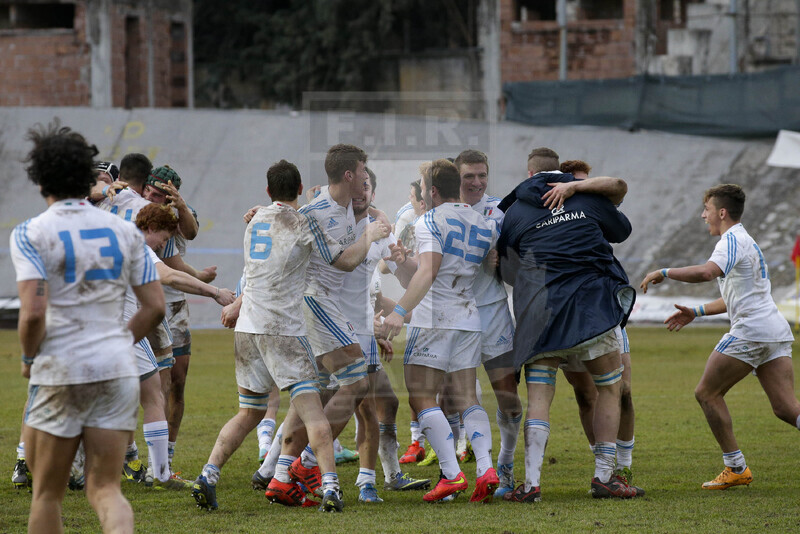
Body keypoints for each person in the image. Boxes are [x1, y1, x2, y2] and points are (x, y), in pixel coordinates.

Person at [192, 159, 388, 512]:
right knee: (316, 411)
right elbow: (342, 261)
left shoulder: (254, 222)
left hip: (248, 328)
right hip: (282, 328)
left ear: (268, 192)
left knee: (249, 413)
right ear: (300, 190)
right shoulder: (305, 221)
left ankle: (208, 475)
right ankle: (329, 487)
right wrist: (369, 235)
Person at [11, 121, 164, 533]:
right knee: (106, 490)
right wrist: (117, 344)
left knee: (47, 495)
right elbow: (154, 306)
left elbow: (33, 312)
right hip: (115, 369)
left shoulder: (31, 232)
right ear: (87, 176)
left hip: (61, 369)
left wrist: (28, 359)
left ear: (39, 178)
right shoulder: (124, 231)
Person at [497, 147, 641, 502]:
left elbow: (505, 268)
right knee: (609, 388)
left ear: (529, 173)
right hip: (593, 311)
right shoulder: (589, 197)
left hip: (540, 316)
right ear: (559, 173)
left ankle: (531, 484)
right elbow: (621, 230)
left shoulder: (514, 212)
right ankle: (604, 476)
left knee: (540, 398)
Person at [641, 183, 800, 490]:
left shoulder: (730, 240)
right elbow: (735, 298)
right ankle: (736, 468)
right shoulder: (745, 242)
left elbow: (706, 273)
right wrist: (696, 312)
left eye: (707, 210)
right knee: (786, 408)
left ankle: (736, 467)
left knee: (707, 393)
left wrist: (665, 271)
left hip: (752, 331)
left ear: (722, 212)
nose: (704, 215)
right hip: (774, 331)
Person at [383, 159, 499, 503]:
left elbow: (430, 271)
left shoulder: (428, 221)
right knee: (467, 398)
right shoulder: (483, 222)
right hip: (468, 317)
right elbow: (446, 266)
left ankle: (451, 474)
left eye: (421, 187)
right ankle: (486, 468)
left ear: (432, 191)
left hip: (434, 317)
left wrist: (400, 311)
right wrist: (408, 262)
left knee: (421, 397)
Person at [281, 145, 390, 502]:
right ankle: (307, 463)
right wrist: (369, 236)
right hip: (314, 301)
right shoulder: (317, 211)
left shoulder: (346, 206)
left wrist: (374, 221)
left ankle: (281, 474)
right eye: (362, 172)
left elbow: (366, 210)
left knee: (317, 393)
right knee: (356, 383)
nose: (365, 178)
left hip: (328, 308)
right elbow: (344, 262)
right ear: (348, 175)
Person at [339, 168, 430, 497]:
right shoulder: (338, 226)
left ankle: (384, 476)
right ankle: (289, 468)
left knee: (381, 404)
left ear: (373, 193)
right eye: (356, 187)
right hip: (337, 333)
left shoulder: (379, 229)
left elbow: (382, 291)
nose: (361, 192)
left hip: (363, 333)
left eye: (367, 187)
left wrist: (407, 312)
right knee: (347, 407)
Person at [557, 159, 638, 485]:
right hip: (567, 313)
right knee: (585, 394)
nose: (589, 187)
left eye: (590, 182)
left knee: (623, 390)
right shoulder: (552, 211)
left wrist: (579, 185)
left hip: (605, 310)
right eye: (579, 182)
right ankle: (603, 465)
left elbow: (618, 185)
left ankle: (624, 466)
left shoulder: (595, 204)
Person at [450, 149, 523, 497]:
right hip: (452, 317)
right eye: (469, 177)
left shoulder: (500, 212)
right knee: (449, 400)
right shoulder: (437, 212)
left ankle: (505, 466)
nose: (477, 182)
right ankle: (452, 472)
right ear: (455, 177)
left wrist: (502, 262)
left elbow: (518, 265)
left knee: (509, 399)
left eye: (482, 175)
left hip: (492, 313)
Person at [141, 165, 215, 473]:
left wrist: (181, 205)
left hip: (175, 306)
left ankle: (166, 455)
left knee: (177, 383)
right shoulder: (133, 210)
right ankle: (139, 455)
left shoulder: (178, 214)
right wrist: (200, 278)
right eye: (151, 192)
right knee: (151, 384)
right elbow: (170, 267)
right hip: (145, 303)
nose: (154, 198)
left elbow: (192, 231)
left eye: (162, 194)